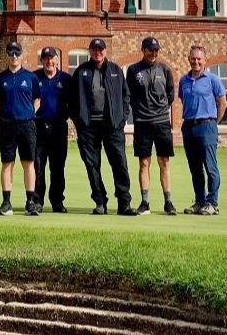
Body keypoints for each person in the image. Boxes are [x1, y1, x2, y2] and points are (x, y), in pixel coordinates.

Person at [67, 38, 136, 216]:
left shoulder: (115, 70)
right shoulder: (81, 71)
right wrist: (79, 121)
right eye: (94, 50)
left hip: (112, 125)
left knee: (119, 163)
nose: (98, 53)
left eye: (101, 49)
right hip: (88, 127)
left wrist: (121, 120)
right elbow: (72, 99)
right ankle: (100, 201)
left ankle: (124, 203)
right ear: (90, 52)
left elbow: (125, 96)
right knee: (92, 165)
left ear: (105, 51)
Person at [125, 36, 177, 216]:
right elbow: (129, 94)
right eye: (150, 50)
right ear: (143, 49)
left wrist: (159, 109)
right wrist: (140, 111)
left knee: (164, 161)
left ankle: (168, 202)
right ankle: (145, 202)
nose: (153, 54)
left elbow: (170, 95)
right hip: (142, 123)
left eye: (156, 51)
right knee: (144, 162)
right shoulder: (133, 70)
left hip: (162, 122)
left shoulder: (165, 69)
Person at [0, 41, 40, 216]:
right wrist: (6, 116)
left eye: (16, 53)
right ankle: (6, 202)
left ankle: (30, 201)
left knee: (28, 163)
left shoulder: (31, 77)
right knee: (7, 163)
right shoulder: (0, 78)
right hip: (7, 125)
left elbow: (36, 100)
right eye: (11, 53)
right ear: (6, 55)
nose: (14, 56)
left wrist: (27, 114)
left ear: (21, 55)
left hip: (26, 125)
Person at [178, 45, 227, 215]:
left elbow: (222, 102)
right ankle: (199, 201)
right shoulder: (183, 81)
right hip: (189, 127)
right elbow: (185, 101)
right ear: (189, 59)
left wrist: (214, 122)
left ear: (205, 61)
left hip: (207, 125)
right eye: (193, 59)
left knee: (210, 167)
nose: (196, 62)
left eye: (199, 59)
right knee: (195, 168)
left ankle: (212, 203)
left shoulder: (213, 79)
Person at [33, 46, 70, 214]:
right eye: (45, 58)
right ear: (42, 61)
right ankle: (37, 200)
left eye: (51, 58)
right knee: (38, 166)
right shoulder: (34, 77)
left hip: (58, 128)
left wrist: (65, 115)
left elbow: (73, 103)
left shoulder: (66, 79)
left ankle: (57, 201)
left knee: (58, 167)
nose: (49, 61)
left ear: (57, 60)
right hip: (39, 128)